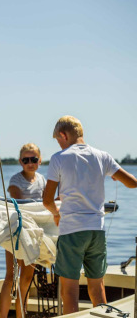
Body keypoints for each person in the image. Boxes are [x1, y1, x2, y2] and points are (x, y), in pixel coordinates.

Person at [42, 115, 137, 314]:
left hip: (72, 231)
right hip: (97, 231)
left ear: (63, 135)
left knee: (69, 292)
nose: (59, 145)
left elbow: (47, 201)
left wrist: (56, 214)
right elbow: (132, 182)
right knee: (97, 287)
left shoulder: (59, 158)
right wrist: (113, 176)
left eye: (58, 140)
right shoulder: (102, 156)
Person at [0, 143, 45, 318]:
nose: (30, 163)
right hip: (15, 231)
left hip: (33, 233)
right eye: (25, 160)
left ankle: (21, 316)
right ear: (20, 161)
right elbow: (16, 198)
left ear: (39, 161)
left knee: (26, 280)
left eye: (33, 159)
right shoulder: (15, 180)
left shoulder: (42, 180)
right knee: (11, 277)